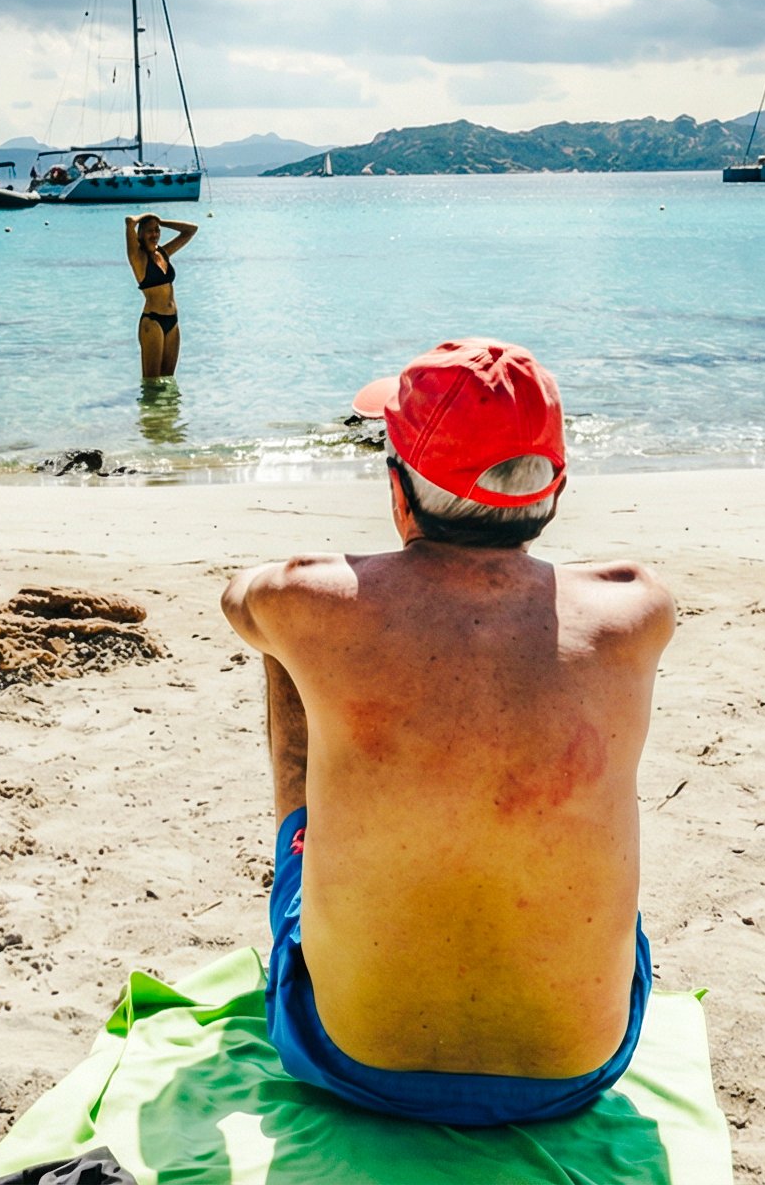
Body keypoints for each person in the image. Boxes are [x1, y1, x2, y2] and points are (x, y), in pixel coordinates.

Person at [218, 339, 674, 1126]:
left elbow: (241, 601)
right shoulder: (635, 610)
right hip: (577, 1068)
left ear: (401, 493)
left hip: (347, 1055)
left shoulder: (308, 599)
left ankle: (311, 864)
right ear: (554, 489)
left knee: (291, 656)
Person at [126, 213, 198, 379]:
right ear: (140, 234)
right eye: (150, 231)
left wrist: (161, 221)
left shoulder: (163, 253)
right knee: (151, 383)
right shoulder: (138, 258)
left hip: (173, 322)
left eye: (157, 230)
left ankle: (169, 407)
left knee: (168, 381)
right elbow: (130, 222)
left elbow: (191, 230)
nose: (155, 234)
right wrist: (147, 216)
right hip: (153, 322)